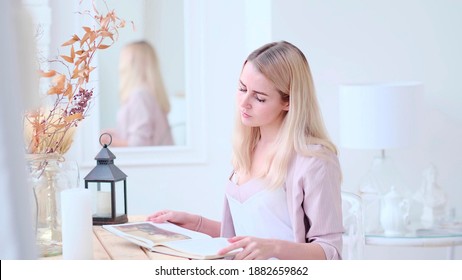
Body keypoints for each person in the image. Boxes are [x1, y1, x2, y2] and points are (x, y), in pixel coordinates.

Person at [147, 41, 343, 260]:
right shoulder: (247, 147)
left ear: (288, 101)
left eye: (259, 97)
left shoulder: (314, 160)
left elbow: (330, 250)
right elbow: (248, 237)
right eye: (242, 89)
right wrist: (194, 223)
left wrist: (275, 248)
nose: (244, 102)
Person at [102, 41, 174, 146]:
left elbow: (138, 144)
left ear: (131, 63)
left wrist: (108, 141)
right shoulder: (147, 94)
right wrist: (117, 133)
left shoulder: (139, 96)